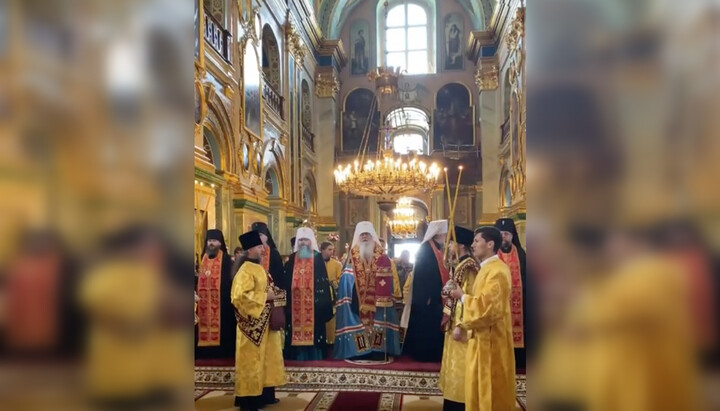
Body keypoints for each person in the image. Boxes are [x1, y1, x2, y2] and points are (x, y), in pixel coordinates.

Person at [449, 226, 514, 411]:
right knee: (478, 388)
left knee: (490, 391)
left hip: (492, 343)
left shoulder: (498, 271)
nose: (473, 245)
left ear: (490, 244)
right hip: (481, 339)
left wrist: (462, 296)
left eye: (477, 241)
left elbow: (488, 309)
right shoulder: (487, 269)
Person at [232, 230, 286, 411]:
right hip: (251, 327)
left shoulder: (258, 268)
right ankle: (249, 402)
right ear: (249, 251)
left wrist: (273, 292)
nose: (263, 249)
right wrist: (266, 295)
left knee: (266, 360)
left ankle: (265, 395)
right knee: (251, 363)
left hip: (265, 325)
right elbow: (240, 297)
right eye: (259, 246)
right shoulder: (245, 270)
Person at [334, 222, 402, 360]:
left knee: (378, 323)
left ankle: (378, 351)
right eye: (362, 235)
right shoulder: (351, 256)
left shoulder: (382, 256)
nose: (365, 237)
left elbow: (387, 278)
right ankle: (358, 351)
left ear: (372, 236)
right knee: (358, 322)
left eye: (367, 234)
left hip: (377, 300)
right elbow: (346, 275)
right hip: (356, 299)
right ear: (358, 237)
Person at [438, 226, 479, 411]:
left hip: (461, 326)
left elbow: (469, 295)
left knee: (461, 368)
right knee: (453, 367)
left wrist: (461, 325)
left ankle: (460, 403)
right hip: (454, 321)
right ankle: (452, 401)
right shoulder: (460, 264)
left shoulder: (469, 266)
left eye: (452, 242)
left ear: (460, 244)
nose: (449, 246)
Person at [282, 228, 333, 360]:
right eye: (301, 240)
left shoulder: (317, 257)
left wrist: (321, 302)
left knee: (315, 331)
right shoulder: (292, 258)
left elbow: (323, 282)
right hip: (295, 305)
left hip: (314, 305)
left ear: (311, 241)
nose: (303, 242)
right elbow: (286, 281)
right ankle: (297, 356)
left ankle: (314, 356)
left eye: (306, 240)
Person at [402, 219, 449, 362]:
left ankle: (433, 352)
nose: (445, 237)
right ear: (437, 234)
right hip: (426, 297)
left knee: (432, 324)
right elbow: (423, 275)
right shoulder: (426, 249)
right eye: (444, 234)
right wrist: (426, 296)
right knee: (425, 325)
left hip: (435, 295)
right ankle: (424, 353)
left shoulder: (436, 248)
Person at [195, 229, 235, 359]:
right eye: (209, 241)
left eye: (214, 241)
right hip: (202, 304)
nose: (211, 243)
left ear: (220, 243)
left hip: (222, 305)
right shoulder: (202, 259)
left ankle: (222, 354)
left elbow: (232, 282)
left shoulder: (228, 261)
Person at [495, 218, 527, 370]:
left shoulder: (521, 255)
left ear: (512, 235)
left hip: (518, 305)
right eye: (500, 234)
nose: (503, 237)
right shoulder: (492, 256)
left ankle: (519, 359)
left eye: (506, 234)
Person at [321, 242, 343, 348]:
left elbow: (340, 279)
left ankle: (332, 340)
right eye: (329, 249)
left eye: (332, 250)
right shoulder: (317, 263)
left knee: (332, 316)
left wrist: (332, 283)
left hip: (331, 294)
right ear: (322, 250)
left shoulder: (337, 264)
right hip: (320, 294)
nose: (331, 252)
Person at [251, 222, 286, 287]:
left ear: (266, 237)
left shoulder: (274, 254)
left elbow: (279, 277)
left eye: (260, 235)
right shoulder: (250, 254)